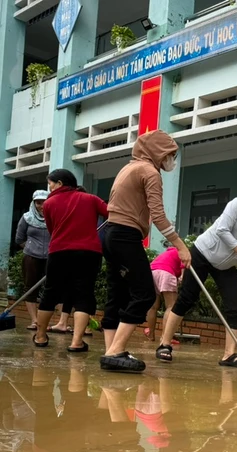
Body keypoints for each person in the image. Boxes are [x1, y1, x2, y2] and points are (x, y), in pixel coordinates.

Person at [156, 180, 237, 366]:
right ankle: (165, 344)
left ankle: (229, 355)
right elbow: (222, 230)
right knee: (187, 298)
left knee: (235, 306)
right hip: (203, 253)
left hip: (226, 265)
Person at [103, 130, 191, 372]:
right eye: (170, 154)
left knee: (117, 293)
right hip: (125, 235)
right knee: (144, 294)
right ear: (158, 152)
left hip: (110, 234)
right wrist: (180, 245)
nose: (171, 160)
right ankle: (116, 351)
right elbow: (159, 215)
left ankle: (111, 352)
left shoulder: (128, 168)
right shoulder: (150, 172)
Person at [34, 169, 108, 353]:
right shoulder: (90, 199)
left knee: (50, 293)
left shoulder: (49, 204)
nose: (49, 188)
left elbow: (52, 230)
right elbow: (110, 213)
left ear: (60, 183)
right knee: (84, 294)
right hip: (89, 253)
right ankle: (76, 342)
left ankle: (41, 336)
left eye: (50, 184)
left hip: (59, 251)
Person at [14, 189, 73, 333]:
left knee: (57, 287)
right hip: (31, 258)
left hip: (53, 257)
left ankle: (61, 322)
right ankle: (35, 321)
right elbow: (19, 239)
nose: (41, 205)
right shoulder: (27, 218)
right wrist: (31, 248)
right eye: (38, 202)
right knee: (30, 288)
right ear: (33, 203)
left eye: (44, 202)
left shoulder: (56, 217)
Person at [144, 244, 185, 342]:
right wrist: (181, 279)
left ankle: (151, 335)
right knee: (171, 306)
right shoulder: (182, 252)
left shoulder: (166, 253)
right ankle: (164, 337)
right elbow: (183, 271)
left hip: (152, 272)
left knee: (153, 307)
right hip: (166, 272)